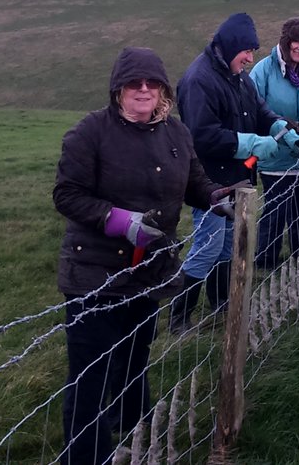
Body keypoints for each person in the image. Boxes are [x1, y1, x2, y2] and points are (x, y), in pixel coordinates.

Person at [52, 46, 233, 465]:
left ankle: (137, 435)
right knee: (89, 376)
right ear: (118, 89)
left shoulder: (176, 133)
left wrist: (214, 197)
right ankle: (85, 456)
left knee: (135, 357)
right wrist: (117, 220)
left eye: (153, 82)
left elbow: (195, 181)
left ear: (164, 89)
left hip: (148, 272)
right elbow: (66, 195)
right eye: (134, 82)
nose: (144, 89)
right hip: (94, 274)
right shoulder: (90, 132)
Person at [170, 12, 299, 333]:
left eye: (253, 52)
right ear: (229, 46)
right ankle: (178, 319)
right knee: (207, 247)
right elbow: (200, 135)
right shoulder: (198, 80)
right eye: (246, 51)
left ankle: (220, 304)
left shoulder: (238, 76)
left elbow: (258, 110)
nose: (250, 58)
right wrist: (252, 144)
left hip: (237, 179)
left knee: (228, 246)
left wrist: (281, 129)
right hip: (209, 183)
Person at [249, 16, 299, 270]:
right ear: (286, 41)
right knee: (276, 212)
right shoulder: (263, 70)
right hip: (275, 156)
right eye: (297, 41)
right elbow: (253, 110)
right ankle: (266, 261)